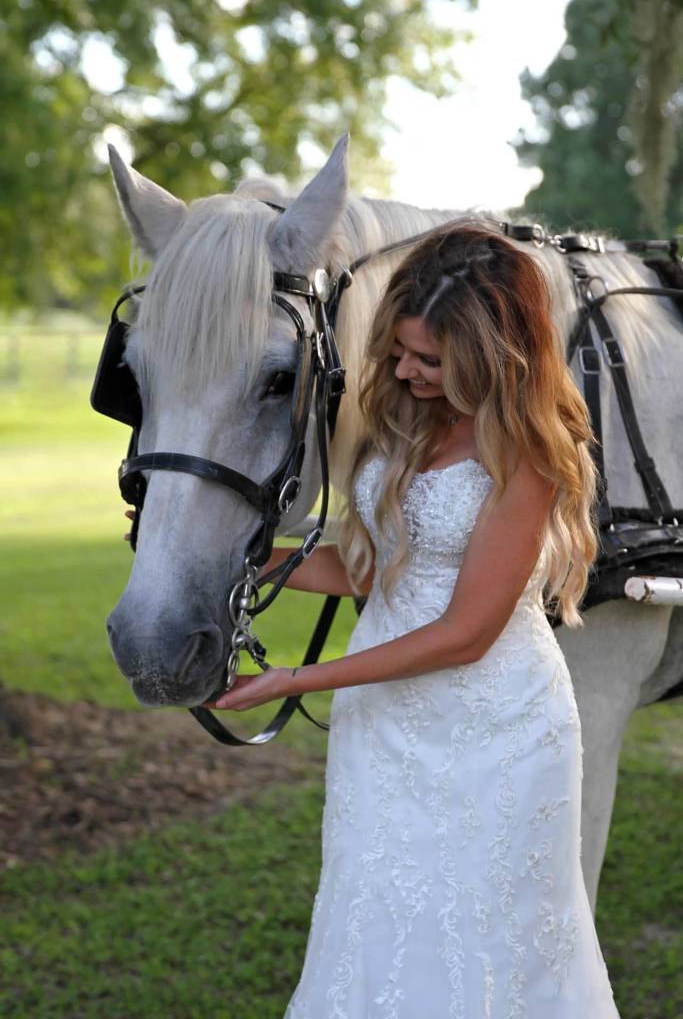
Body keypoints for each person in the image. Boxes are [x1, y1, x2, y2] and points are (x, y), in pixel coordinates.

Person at [208, 223, 621, 1017]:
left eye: (428, 360)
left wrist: (300, 680)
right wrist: (248, 561)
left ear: (491, 350)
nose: (405, 371)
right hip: (384, 722)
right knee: (374, 915)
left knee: (482, 936)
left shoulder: (524, 453)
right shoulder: (408, 425)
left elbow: (467, 632)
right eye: (398, 352)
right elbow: (371, 569)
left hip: (494, 728)